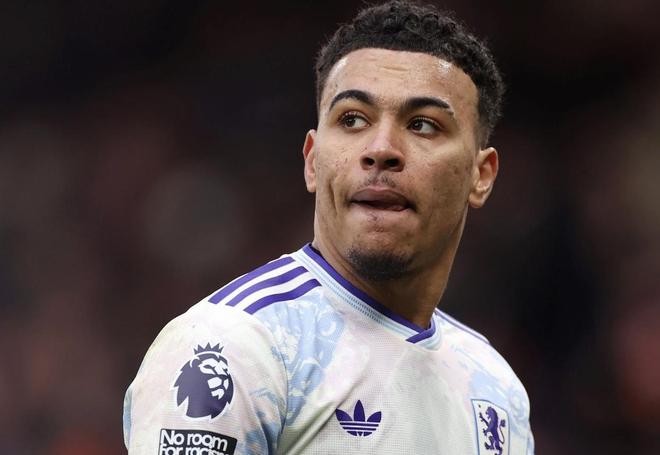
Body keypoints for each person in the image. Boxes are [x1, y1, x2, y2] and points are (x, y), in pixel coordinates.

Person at [123, 1, 534, 454]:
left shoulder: (495, 389)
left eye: (422, 125)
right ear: (312, 161)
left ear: (481, 176)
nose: (381, 149)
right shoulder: (232, 348)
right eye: (352, 119)